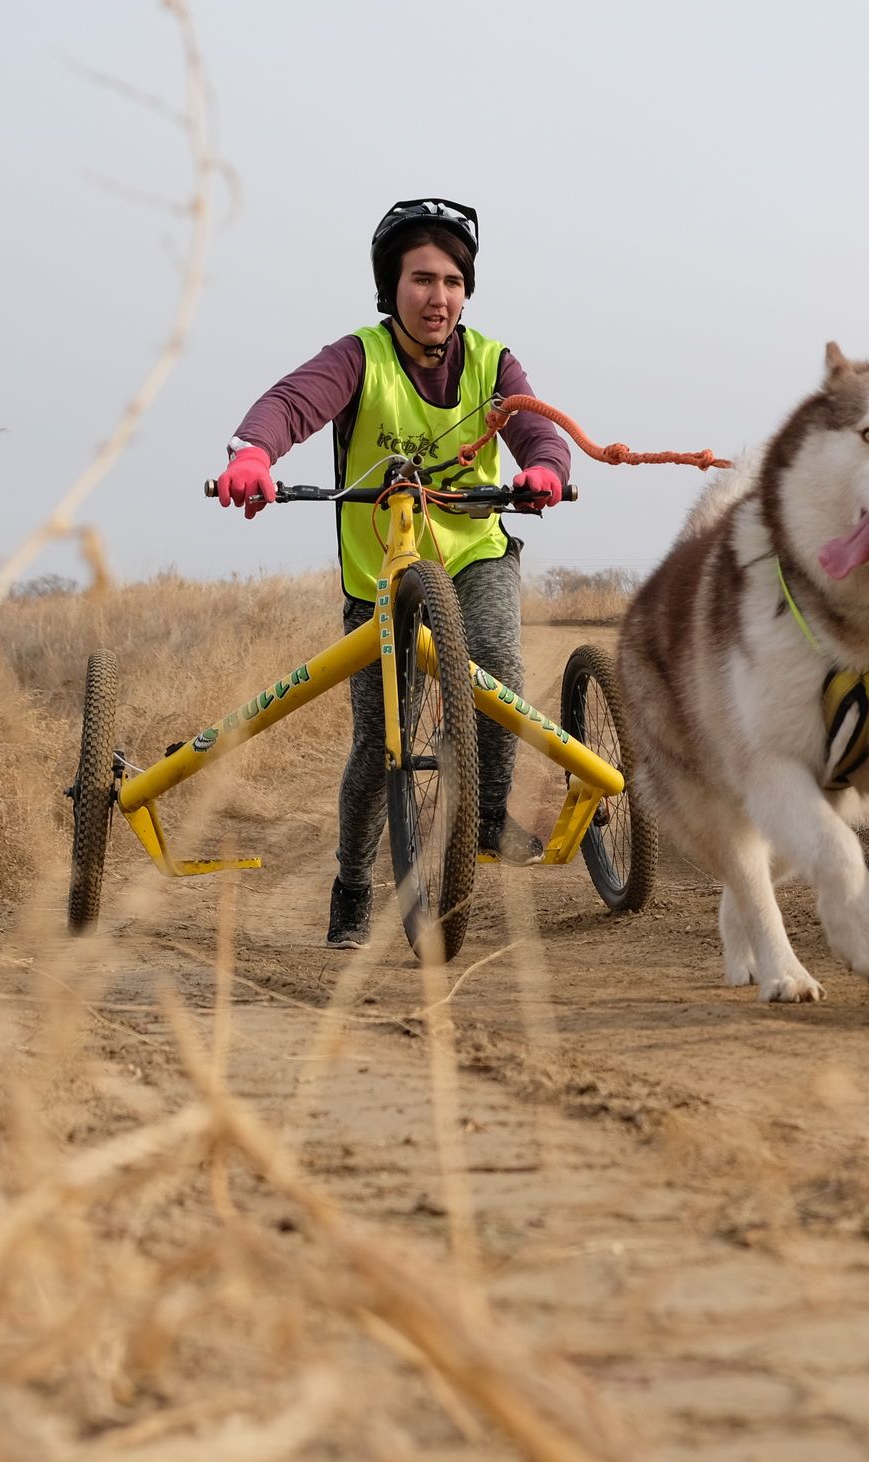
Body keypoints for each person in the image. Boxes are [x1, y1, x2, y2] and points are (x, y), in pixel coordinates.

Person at [211, 197, 572, 947]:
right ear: (392, 286)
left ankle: (484, 814)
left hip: (471, 549)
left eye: (451, 281)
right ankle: (350, 883)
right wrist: (254, 453)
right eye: (420, 280)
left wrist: (544, 466)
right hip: (382, 569)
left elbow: (538, 422)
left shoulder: (491, 361)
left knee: (497, 663)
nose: (437, 296)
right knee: (380, 743)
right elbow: (292, 402)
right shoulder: (360, 357)